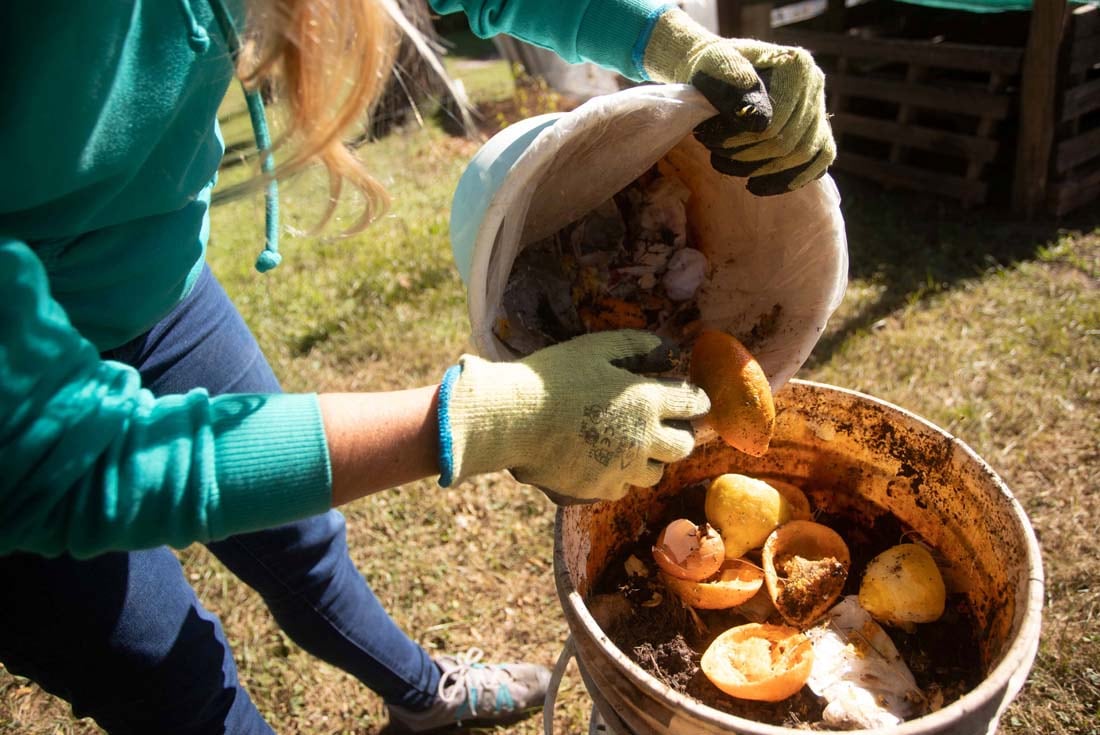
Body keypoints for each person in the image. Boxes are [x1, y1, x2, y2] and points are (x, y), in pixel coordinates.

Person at [0, 0, 833, 732]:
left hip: (154, 292)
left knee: (301, 543)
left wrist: (672, 41)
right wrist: (482, 417)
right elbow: (40, 461)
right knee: (165, 673)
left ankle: (421, 692)